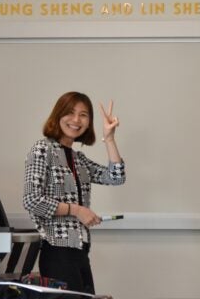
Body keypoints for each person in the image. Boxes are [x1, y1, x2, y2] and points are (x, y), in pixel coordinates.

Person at [22, 91, 126, 295]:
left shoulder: (78, 159)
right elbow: (32, 200)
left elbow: (116, 177)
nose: (76, 120)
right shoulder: (42, 149)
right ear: (58, 115)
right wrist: (77, 210)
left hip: (80, 250)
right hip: (57, 250)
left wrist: (109, 139)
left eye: (83, 115)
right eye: (70, 112)